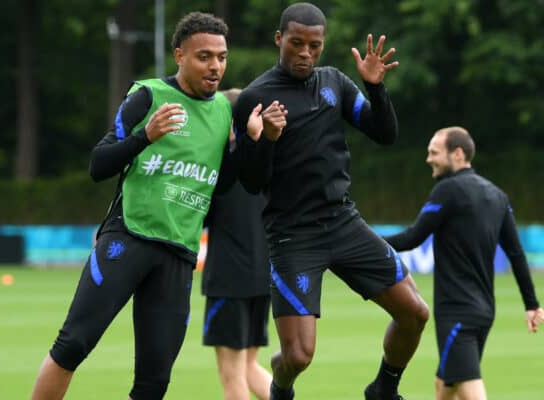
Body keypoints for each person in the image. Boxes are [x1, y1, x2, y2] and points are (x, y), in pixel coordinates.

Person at [30, 12, 270, 400]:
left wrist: (250, 147)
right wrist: (145, 136)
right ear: (179, 55)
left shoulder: (225, 113)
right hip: (128, 239)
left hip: (178, 256)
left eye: (221, 57)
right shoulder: (148, 95)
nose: (215, 66)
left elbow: (222, 185)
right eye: (204, 56)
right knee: (73, 344)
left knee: (154, 382)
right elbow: (98, 164)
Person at [232, 3, 430, 400]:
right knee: (300, 356)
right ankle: (280, 382)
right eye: (297, 43)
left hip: (344, 222)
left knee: (415, 313)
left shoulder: (334, 84)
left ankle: (383, 389)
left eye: (314, 46)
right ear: (279, 39)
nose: (305, 53)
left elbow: (384, 133)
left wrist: (375, 87)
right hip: (293, 236)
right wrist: (267, 139)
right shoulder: (254, 97)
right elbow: (251, 182)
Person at [383, 126, 544, 400]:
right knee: (444, 385)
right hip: (483, 311)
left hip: (457, 312)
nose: (428, 159)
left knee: (470, 390)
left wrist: (364, 241)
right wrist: (531, 304)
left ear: (457, 154)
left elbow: (412, 238)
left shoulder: (448, 190)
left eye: (434, 153)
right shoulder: (497, 196)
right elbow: (516, 254)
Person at [201, 88, 272, 400]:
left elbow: (198, 216)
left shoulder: (217, 165)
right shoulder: (267, 161)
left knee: (232, 378)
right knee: (249, 367)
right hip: (263, 277)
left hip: (228, 280)